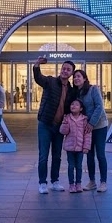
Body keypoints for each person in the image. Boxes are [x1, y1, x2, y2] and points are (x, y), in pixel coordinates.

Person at [33, 56, 78, 194]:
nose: (65, 71)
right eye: (64, 68)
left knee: (57, 155)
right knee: (43, 155)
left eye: (68, 70)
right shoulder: (51, 81)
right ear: (61, 69)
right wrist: (37, 64)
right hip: (45, 124)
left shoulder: (71, 89)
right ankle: (42, 183)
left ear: (71, 73)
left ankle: (55, 181)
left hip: (59, 127)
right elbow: (38, 77)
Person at [74, 69, 109, 192]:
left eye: (78, 76)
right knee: (89, 155)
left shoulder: (93, 89)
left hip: (99, 126)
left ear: (84, 78)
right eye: (74, 77)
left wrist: (91, 123)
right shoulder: (77, 93)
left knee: (100, 154)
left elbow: (99, 106)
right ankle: (92, 181)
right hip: (86, 128)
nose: (76, 79)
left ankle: (103, 182)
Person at [59, 99, 92, 193]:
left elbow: (87, 134)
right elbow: (63, 132)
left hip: (80, 148)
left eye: (76, 105)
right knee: (70, 166)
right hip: (70, 147)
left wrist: (86, 146)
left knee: (79, 166)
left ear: (81, 108)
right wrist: (64, 123)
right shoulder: (67, 118)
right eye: (72, 104)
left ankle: (78, 184)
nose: (73, 106)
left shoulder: (84, 119)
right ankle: (71, 184)